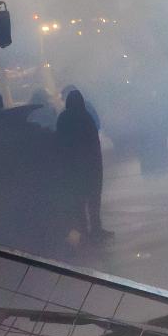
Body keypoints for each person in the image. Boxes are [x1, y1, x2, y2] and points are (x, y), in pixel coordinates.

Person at [55, 87, 111, 241]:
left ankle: (84, 230)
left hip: (72, 168)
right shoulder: (86, 117)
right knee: (93, 199)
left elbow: (60, 142)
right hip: (90, 166)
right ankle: (96, 229)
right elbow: (94, 143)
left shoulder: (63, 119)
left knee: (78, 200)